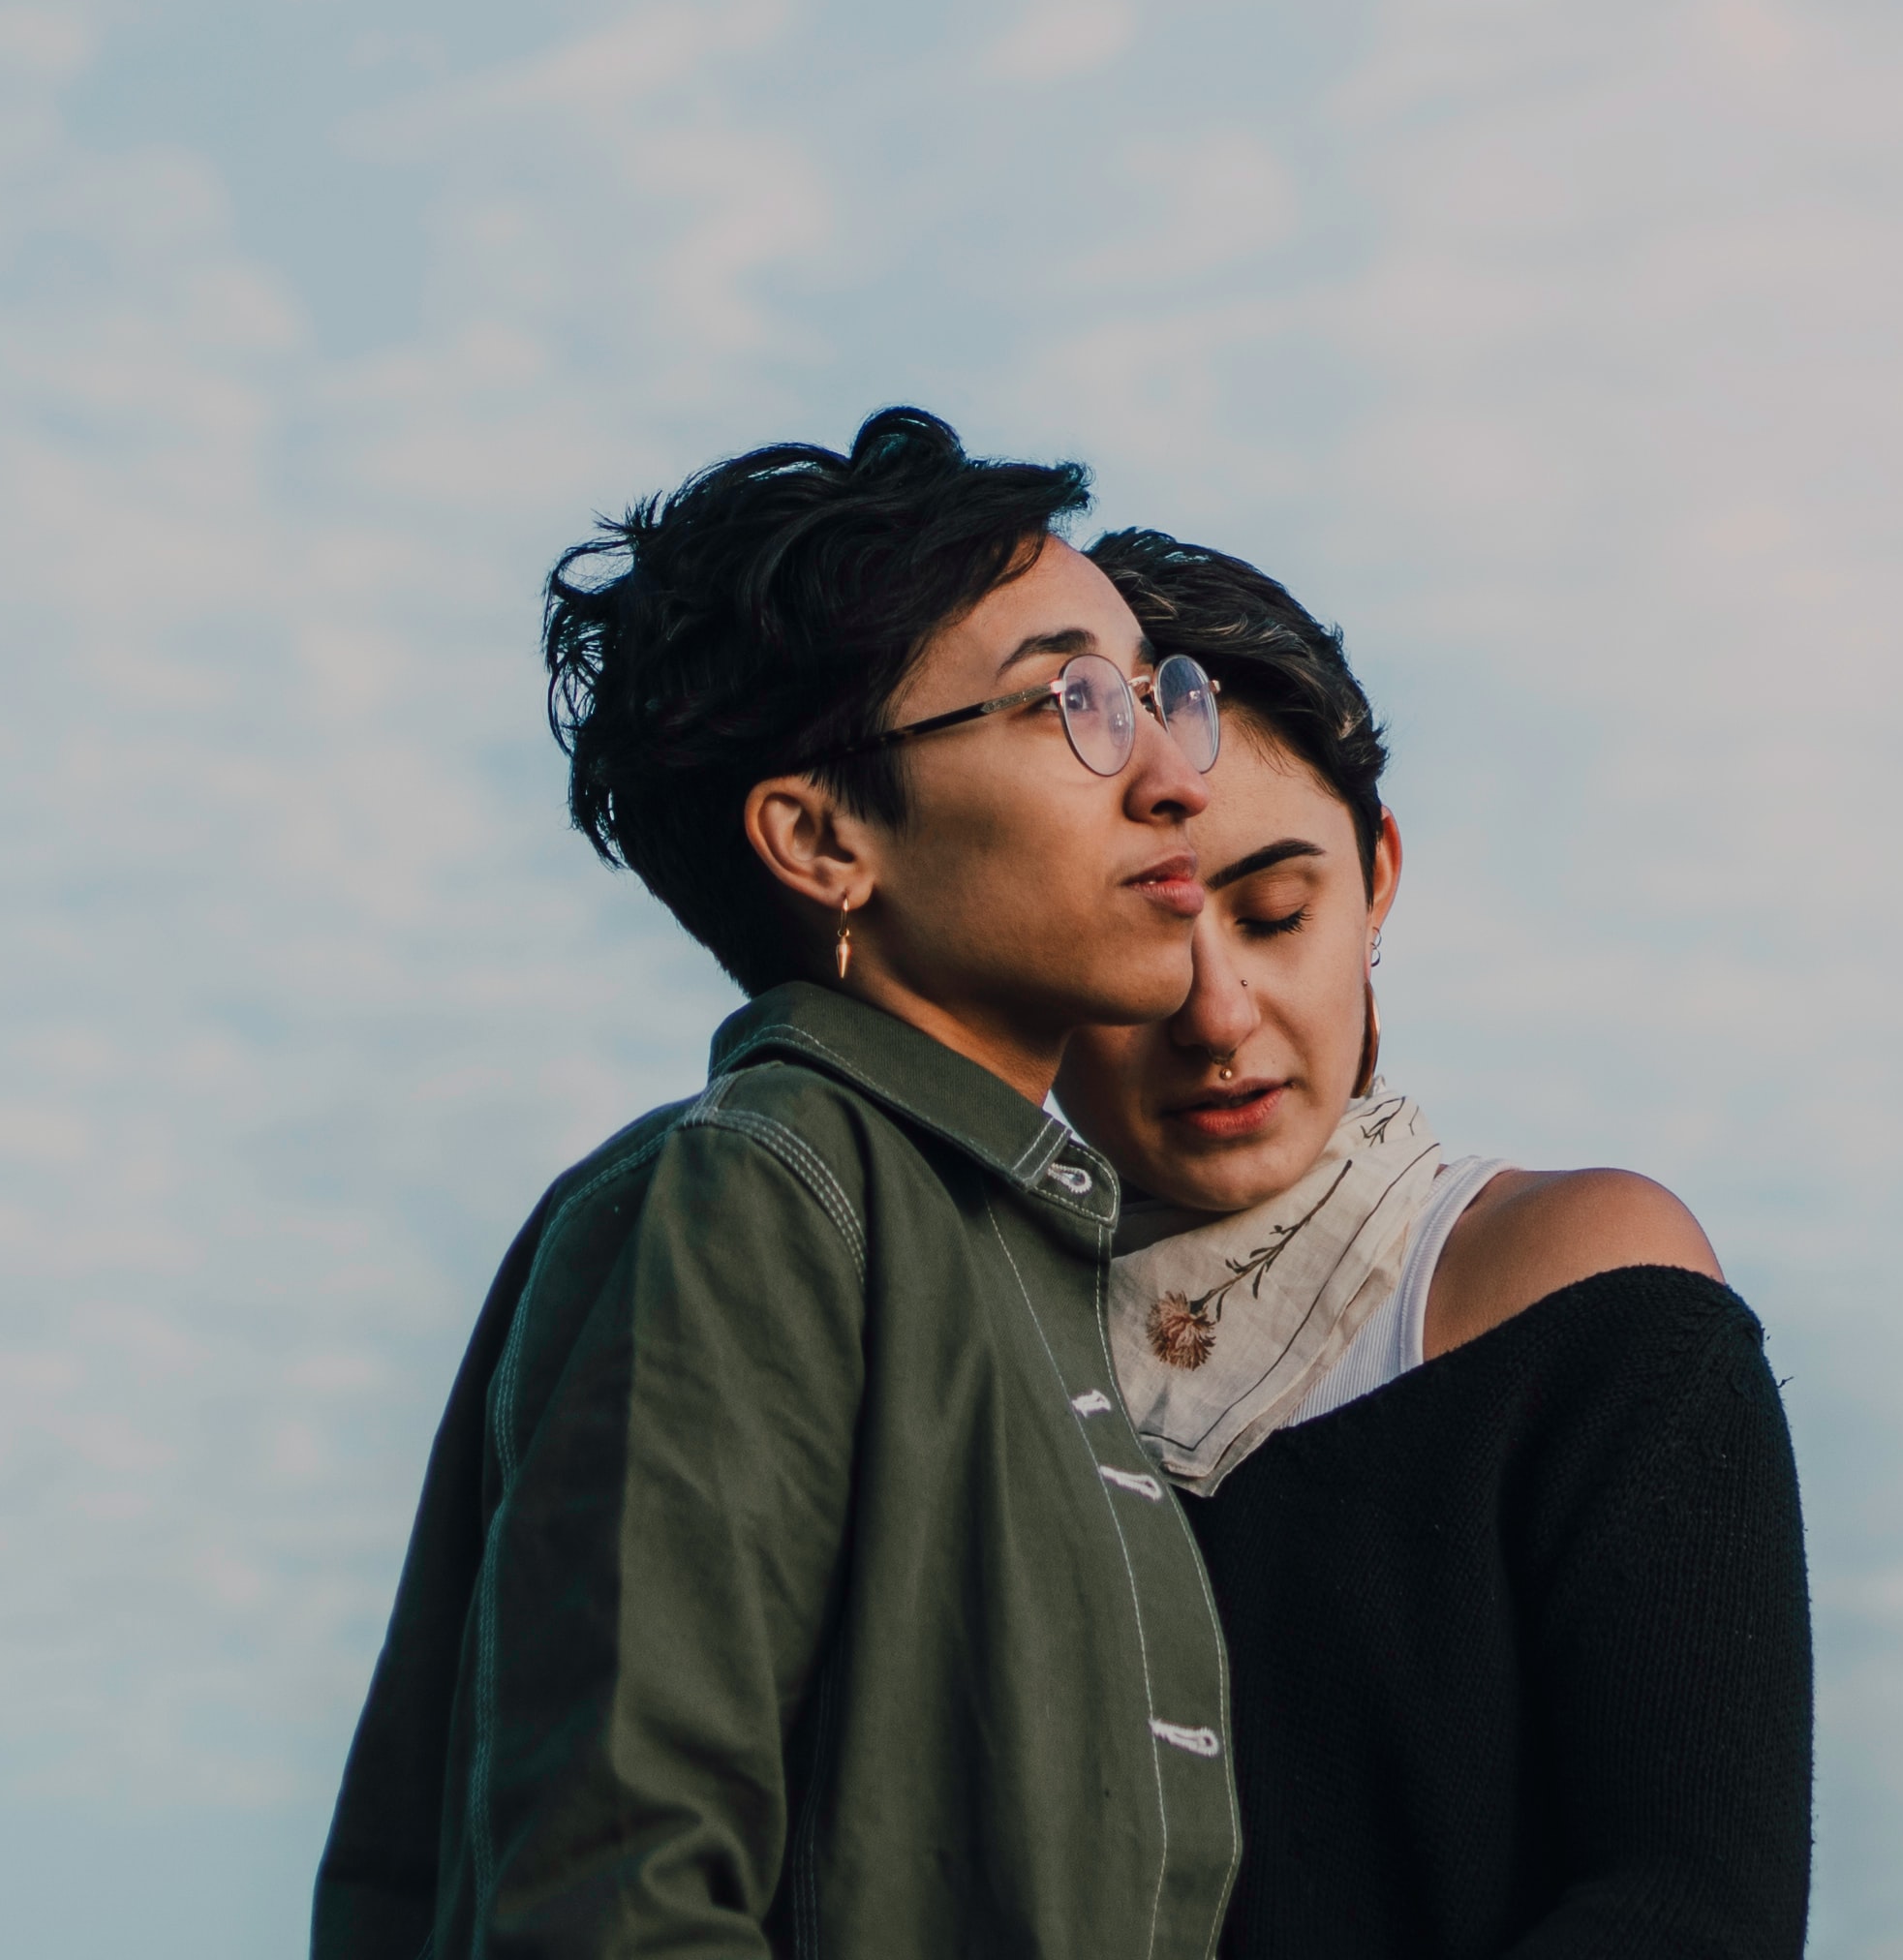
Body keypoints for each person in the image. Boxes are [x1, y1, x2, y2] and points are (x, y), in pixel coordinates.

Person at [313, 410, 1249, 1960]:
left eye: (1158, 695)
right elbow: (617, 1899)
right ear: (819, 838)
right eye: (1071, 702)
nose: (1173, 778)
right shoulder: (752, 1202)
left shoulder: (1030, 1254)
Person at [1056, 525, 1813, 1960]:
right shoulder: (944, 1341)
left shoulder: (1572, 1279)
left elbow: (1688, 1913)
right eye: (1141, 938)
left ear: (1378, 879)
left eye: (1278, 913)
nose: (1218, 1015)